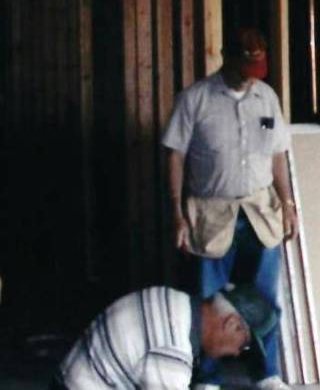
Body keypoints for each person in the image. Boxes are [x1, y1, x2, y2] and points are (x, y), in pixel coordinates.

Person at [161, 27, 297, 390]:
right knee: (209, 300)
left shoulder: (267, 97)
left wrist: (287, 203)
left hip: (259, 212)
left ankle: (266, 372)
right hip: (210, 212)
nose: (251, 80)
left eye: (258, 71)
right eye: (245, 69)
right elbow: (175, 156)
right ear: (228, 58)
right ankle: (207, 377)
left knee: (266, 298)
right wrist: (177, 213)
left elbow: (278, 154)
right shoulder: (195, 99)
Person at [53, 283, 277, 390]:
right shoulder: (172, 349)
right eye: (244, 346)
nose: (237, 353)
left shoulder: (173, 300)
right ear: (232, 325)